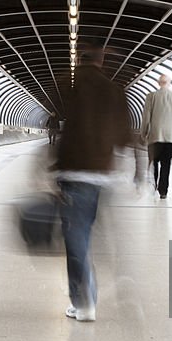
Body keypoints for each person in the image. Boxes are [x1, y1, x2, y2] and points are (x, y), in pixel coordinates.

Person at [54, 44, 131, 322]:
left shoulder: (70, 86)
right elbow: (124, 137)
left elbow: (58, 123)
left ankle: (83, 301)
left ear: (80, 61)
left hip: (74, 172)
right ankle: (88, 295)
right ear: (102, 62)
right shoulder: (115, 90)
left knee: (76, 237)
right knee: (87, 235)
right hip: (103, 173)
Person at [140, 74, 172, 199]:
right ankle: (163, 191)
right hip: (171, 137)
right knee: (166, 164)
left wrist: (143, 133)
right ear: (169, 83)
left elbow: (146, 117)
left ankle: (154, 184)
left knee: (154, 162)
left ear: (158, 83)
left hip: (155, 135)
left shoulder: (151, 97)